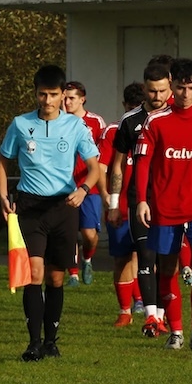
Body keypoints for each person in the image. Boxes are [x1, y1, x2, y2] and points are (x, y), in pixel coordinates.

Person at [0, 64, 100, 361]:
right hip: (30, 208)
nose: (48, 101)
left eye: (54, 95)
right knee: (34, 274)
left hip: (64, 208)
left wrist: (83, 190)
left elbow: (93, 168)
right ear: (35, 94)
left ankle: (52, 340)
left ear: (63, 95)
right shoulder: (19, 124)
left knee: (55, 278)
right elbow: (2, 163)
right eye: (43, 94)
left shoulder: (76, 127)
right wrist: (3, 197)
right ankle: (33, 343)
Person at [134, 58, 192, 352]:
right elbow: (143, 163)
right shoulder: (155, 122)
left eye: (191, 88)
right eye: (180, 87)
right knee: (168, 268)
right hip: (165, 206)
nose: (185, 93)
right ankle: (175, 331)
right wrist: (141, 200)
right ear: (171, 83)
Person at [108, 63, 173, 339]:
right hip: (140, 199)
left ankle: (164, 315)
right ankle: (151, 317)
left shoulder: (176, 117)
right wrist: (113, 204)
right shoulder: (130, 121)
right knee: (145, 254)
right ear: (144, 88)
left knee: (166, 259)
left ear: (169, 86)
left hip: (171, 199)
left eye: (161, 90)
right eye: (151, 90)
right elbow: (117, 165)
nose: (157, 96)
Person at [100, 83, 146, 327]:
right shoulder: (113, 132)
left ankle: (153, 312)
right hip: (121, 207)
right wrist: (108, 199)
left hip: (147, 206)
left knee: (151, 259)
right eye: (130, 108)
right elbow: (102, 167)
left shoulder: (154, 127)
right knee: (122, 259)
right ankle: (125, 311)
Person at [63, 81, 106, 286]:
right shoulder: (57, 121)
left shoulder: (96, 122)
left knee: (90, 235)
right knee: (69, 232)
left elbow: (101, 156)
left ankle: (87, 259)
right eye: (64, 97)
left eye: (71, 98)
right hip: (64, 186)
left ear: (82, 99)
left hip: (90, 187)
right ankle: (72, 274)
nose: (67, 102)